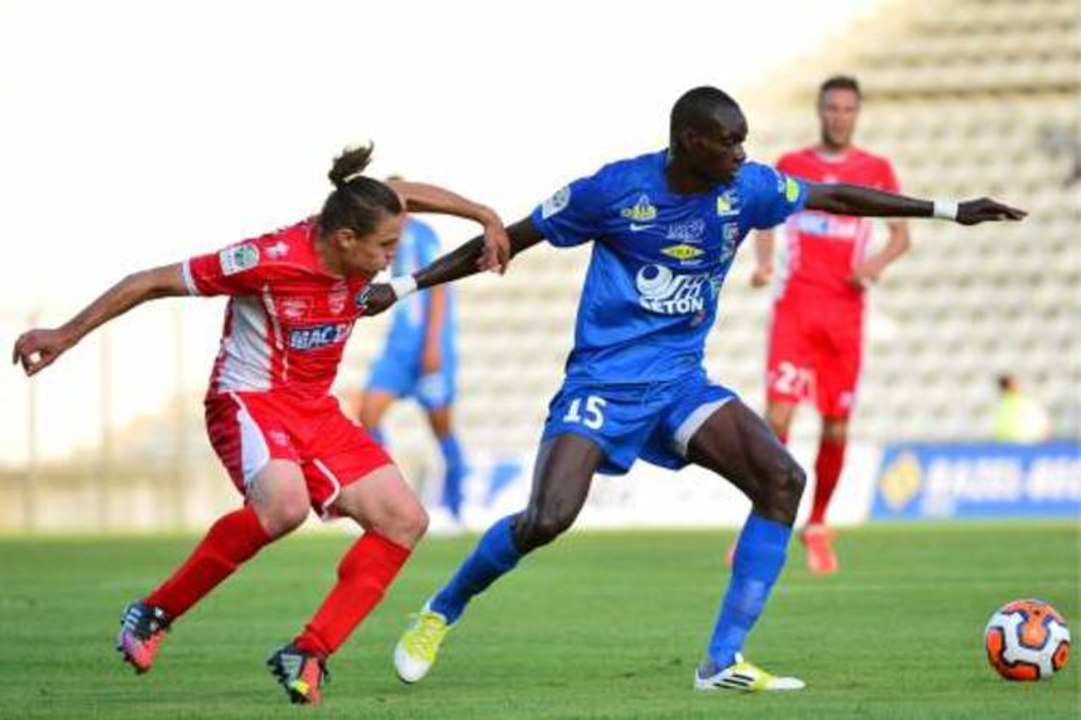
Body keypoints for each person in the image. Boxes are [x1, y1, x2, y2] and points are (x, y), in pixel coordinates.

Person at [357, 86, 1024, 692]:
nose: (741, 154)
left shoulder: (747, 189)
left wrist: (949, 210)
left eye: (743, 141)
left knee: (781, 480)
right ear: (688, 141)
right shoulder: (613, 191)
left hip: (679, 382)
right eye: (728, 142)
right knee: (547, 519)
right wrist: (404, 286)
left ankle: (721, 661)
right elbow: (507, 242)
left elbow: (836, 198)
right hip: (603, 382)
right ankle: (441, 608)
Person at [10, 144, 509, 705]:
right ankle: (153, 613)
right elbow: (149, 281)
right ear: (346, 239)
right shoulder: (265, 260)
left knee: (403, 519)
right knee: (284, 506)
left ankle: (310, 652)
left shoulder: (364, 212)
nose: (392, 259)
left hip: (315, 408)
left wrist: (484, 215)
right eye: (386, 247)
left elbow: (401, 192)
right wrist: (64, 334)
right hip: (249, 399)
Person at [749, 75, 910, 575]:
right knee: (777, 419)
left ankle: (817, 524)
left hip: (845, 314)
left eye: (847, 109)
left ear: (857, 114)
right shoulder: (793, 165)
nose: (839, 116)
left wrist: (874, 265)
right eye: (832, 108)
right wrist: (764, 263)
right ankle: (765, 521)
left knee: (837, 422)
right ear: (819, 111)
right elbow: (765, 217)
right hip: (796, 309)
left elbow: (901, 236)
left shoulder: (875, 170)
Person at [344, 192, 465, 531]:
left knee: (442, 428)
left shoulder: (422, 235)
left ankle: (456, 510)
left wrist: (433, 345)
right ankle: (385, 503)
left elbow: (439, 287)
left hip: (428, 348)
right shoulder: (381, 236)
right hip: (398, 348)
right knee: (368, 413)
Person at [991, 374, 1052, 443]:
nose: (1017, 386)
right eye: (1013, 384)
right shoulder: (1000, 405)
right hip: (1009, 443)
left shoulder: (1027, 402)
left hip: (1027, 443)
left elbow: (1043, 425)